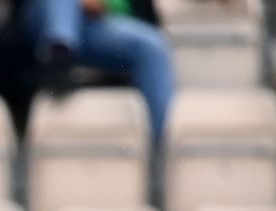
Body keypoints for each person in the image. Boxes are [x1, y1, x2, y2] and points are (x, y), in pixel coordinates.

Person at [21, 0, 174, 135]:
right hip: (43, 20)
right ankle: (59, 52)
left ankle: (162, 146)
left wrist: (105, 3)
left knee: (153, 47)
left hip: (92, 25)